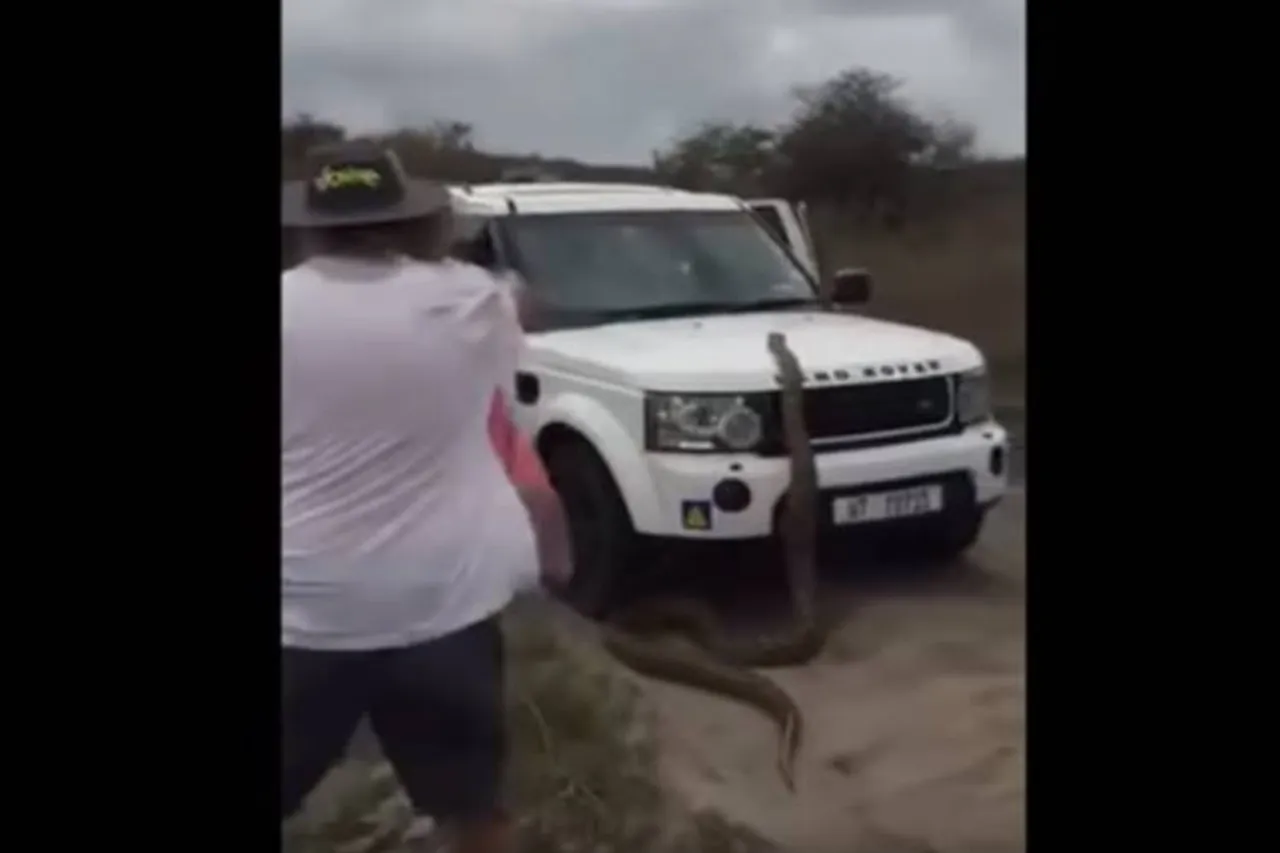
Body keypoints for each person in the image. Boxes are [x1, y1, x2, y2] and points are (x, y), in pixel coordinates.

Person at [281, 140, 571, 853]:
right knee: (472, 809)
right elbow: (531, 304)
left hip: (305, 611)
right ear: (410, 218)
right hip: (445, 605)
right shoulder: (471, 300)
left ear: (311, 225)